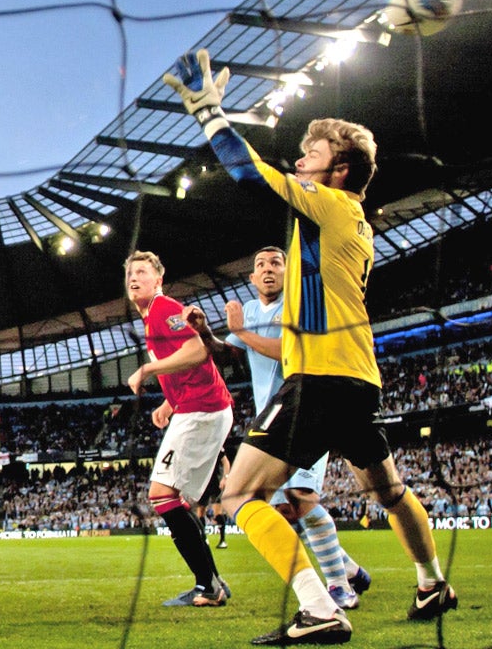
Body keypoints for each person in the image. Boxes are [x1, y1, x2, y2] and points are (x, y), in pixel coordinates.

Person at [164, 49, 456, 644]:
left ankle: (319, 607)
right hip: (357, 378)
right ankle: (431, 582)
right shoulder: (354, 223)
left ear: (339, 171)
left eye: (312, 154)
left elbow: (248, 173)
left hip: (319, 376)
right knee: (390, 491)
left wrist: (210, 113)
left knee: (238, 493)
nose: (300, 160)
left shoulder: (326, 206)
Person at [187, 246, 371, 609]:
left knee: (301, 499)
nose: (268, 269)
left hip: (309, 408)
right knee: (285, 510)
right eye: (260, 265)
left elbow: (292, 350)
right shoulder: (252, 310)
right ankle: (347, 569)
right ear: (252, 278)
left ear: (288, 272)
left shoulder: (301, 303)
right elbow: (230, 354)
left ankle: (339, 586)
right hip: (272, 419)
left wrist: (241, 330)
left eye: (276, 263)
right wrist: (207, 333)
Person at [124, 251, 234, 608]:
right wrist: (169, 402)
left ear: (158, 279)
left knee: (162, 495)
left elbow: (199, 351)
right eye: (130, 273)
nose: (133, 277)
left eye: (142, 271)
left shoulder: (163, 308)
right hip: (194, 406)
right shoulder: (151, 317)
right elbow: (187, 365)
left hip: (204, 409)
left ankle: (208, 585)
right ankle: (212, 581)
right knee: (175, 499)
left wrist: (147, 370)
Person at [194, 449, 231, 550]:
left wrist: (225, 477)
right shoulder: (198, 446)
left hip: (215, 482)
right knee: (200, 512)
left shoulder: (216, 444)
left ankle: (223, 540)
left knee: (217, 512)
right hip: (202, 483)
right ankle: (203, 539)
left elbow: (226, 462)